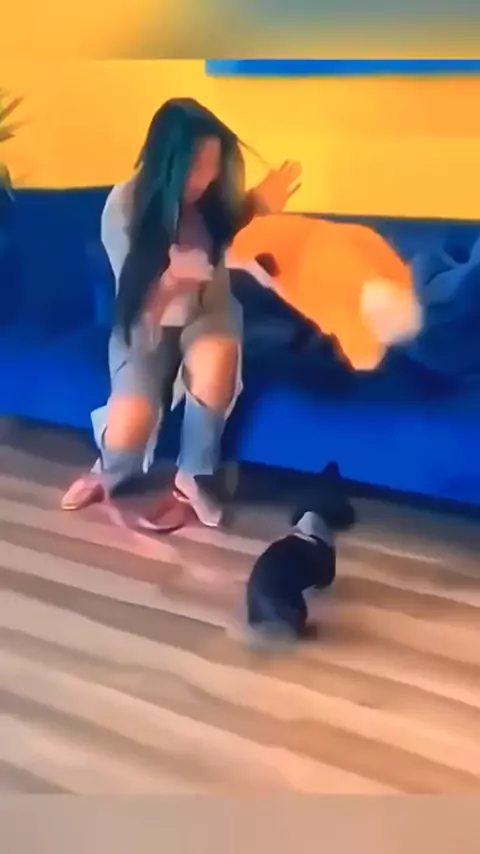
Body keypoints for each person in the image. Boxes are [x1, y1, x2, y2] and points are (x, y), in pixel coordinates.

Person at [61, 97, 301, 531]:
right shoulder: (124, 207)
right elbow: (137, 308)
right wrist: (173, 282)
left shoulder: (211, 198)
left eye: (213, 167)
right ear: (165, 163)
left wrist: (260, 203)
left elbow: (232, 223)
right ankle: (109, 468)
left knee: (216, 358)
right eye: (195, 168)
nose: (205, 180)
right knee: (129, 429)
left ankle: (192, 476)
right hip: (147, 326)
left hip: (208, 314)